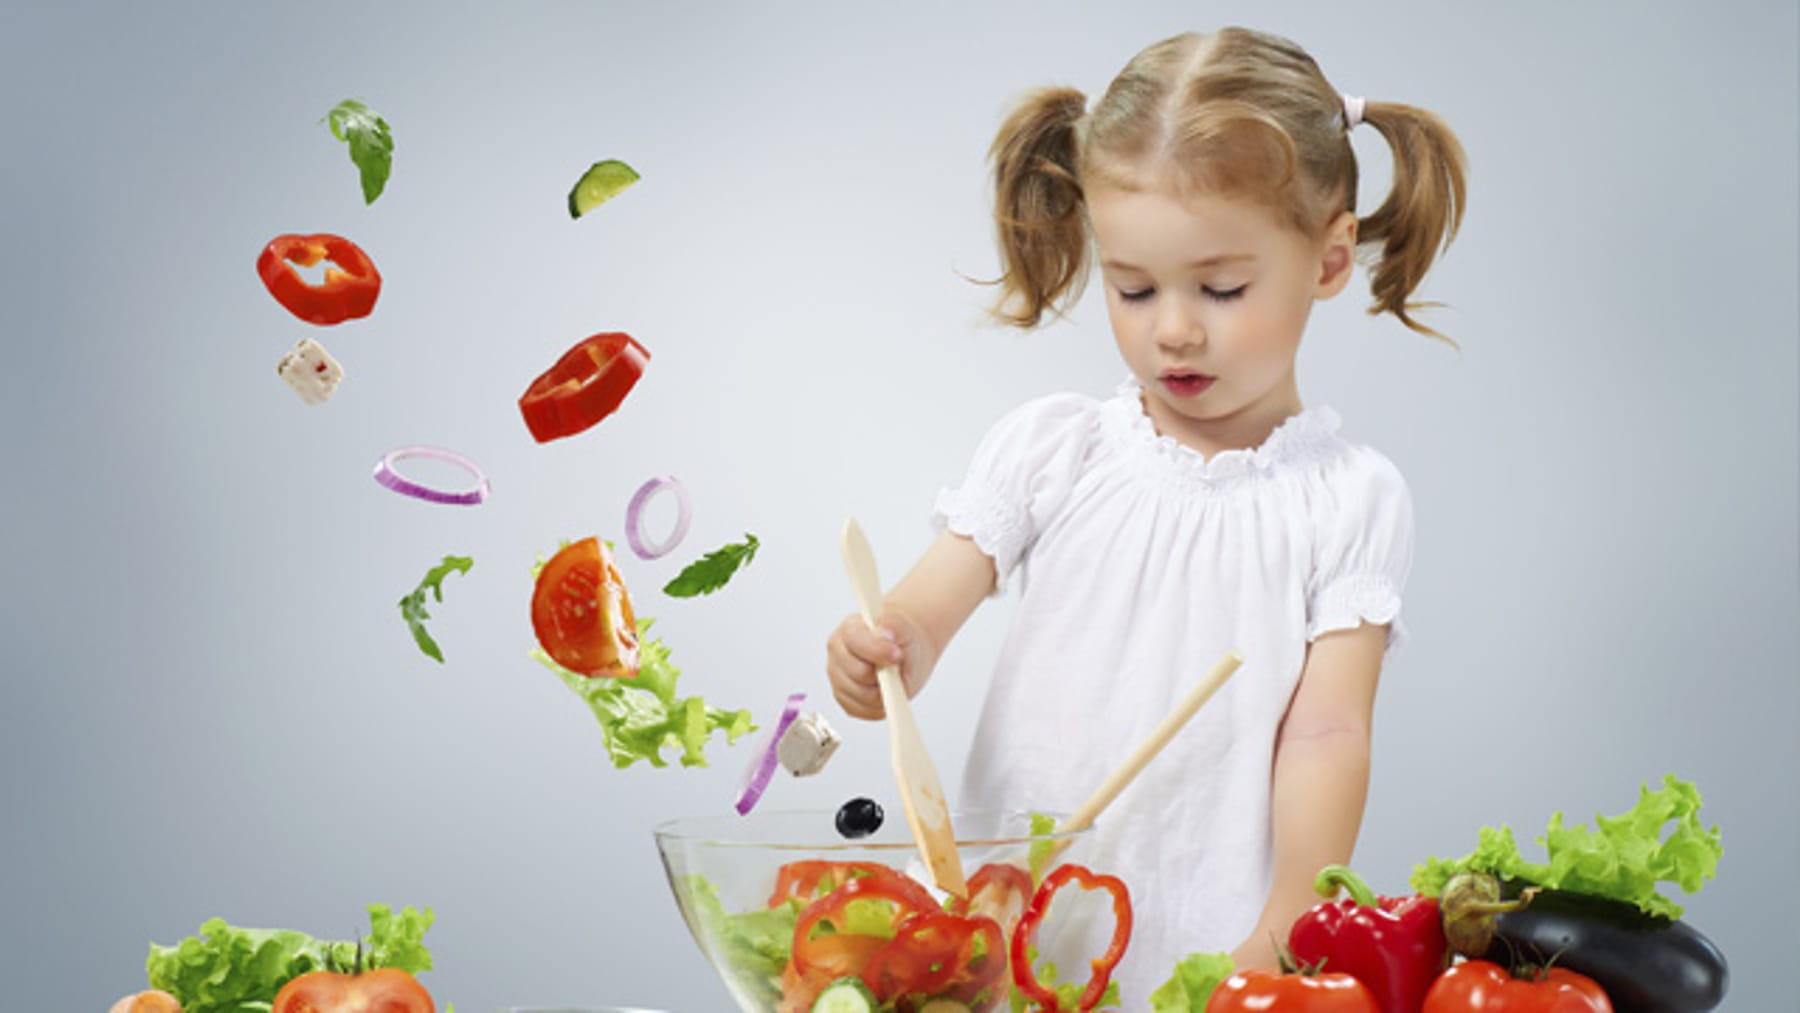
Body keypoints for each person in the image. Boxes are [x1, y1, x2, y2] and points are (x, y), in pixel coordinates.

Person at [825, 25, 1466, 1005]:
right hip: (1008, 925)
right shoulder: (1057, 447)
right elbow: (922, 613)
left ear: (1330, 258)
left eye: (1220, 287)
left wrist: (1289, 919)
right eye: (1132, 288)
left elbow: (1330, 732)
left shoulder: (1349, 498)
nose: (1173, 326)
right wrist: (886, 653)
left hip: (1211, 933)